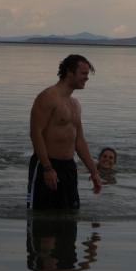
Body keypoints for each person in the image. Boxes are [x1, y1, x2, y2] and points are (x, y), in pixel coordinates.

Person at [28, 54, 102, 210]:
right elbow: (36, 134)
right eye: (83, 74)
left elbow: (79, 141)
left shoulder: (75, 104)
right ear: (69, 72)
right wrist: (47, 168)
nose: (86, 78)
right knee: (44, 224)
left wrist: (94, 172)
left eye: (87, 74)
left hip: (69, 168)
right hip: (47, 166)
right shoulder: (48, 97)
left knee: (70, 221)